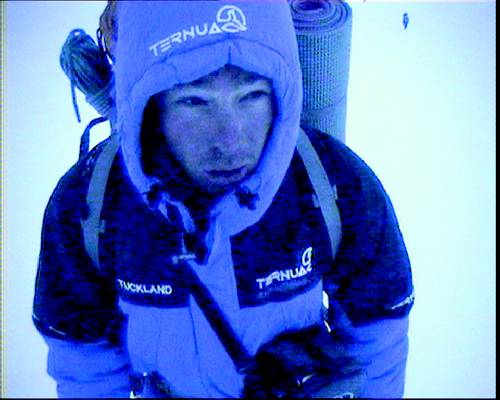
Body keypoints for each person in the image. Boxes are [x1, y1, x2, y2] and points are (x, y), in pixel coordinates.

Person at [33, 1, 414, 398]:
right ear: (150, 103)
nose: (230, 140)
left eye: (251, 96)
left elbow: (377, 340)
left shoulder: (332, 181)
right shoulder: (90, 203)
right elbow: (86, 365)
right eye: (195, 101)